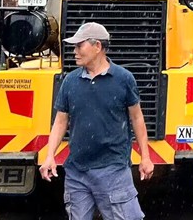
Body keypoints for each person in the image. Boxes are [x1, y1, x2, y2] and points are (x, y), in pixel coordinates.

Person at [39, 22, 153, 220]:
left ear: (97, 46)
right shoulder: (70, 81)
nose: (74, 51)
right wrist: (50, 156)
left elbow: (137, 118)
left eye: (79, 46)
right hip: (77, 172)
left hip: (113, 169)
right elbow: (60, 122)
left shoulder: (123, 79)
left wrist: (145, 156)